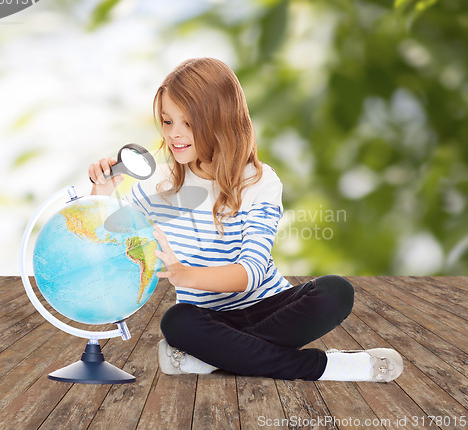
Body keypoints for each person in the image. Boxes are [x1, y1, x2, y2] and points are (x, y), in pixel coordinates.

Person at [88, 57, 403, 382]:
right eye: (167, 122)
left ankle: (212, 359)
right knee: (176, 321)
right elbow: (108, 239)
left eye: (189, 123)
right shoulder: (162, 185)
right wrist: (102, 190)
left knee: (336, 291)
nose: (174, 135)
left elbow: (249, 274)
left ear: (220, 118)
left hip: (270, 306)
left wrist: (185, 276)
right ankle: (324, 367)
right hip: (207, 319)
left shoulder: (260, 181)